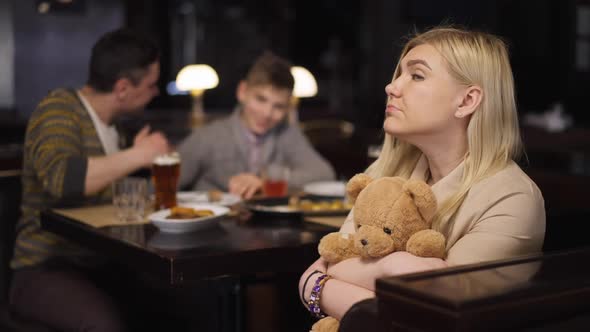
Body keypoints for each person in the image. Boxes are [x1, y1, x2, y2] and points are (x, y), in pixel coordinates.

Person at [299, 26, 546, 323]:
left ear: (467, 101)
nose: (392, 87)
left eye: (416, 75)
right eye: (399, 74)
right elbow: (310, 276)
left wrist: (330, 283)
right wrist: (395, 269)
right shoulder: (385, 172)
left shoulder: (512, 197)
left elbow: (434, 315)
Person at [9, 28, 170, 331]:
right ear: (122, 88)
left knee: (184, 303)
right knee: (104, 325)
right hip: (44, 268)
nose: (156, 92)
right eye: (151, 85)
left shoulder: (117, 130)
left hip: (104, 263)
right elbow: (61, 179)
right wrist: (139, 155)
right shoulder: (58, 111)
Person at [178, 51, 335, 198]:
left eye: (278, 106)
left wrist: (266, 180)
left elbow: (325, 174)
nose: (267, 113)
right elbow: (160, 187)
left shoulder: (286, 134)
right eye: (261, 99)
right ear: (242, 92)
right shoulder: (208, 137)